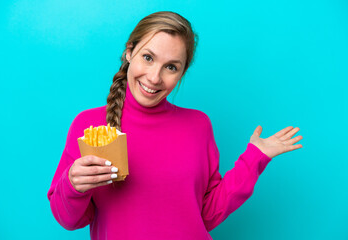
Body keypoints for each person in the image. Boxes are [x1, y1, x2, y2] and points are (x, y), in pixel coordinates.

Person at [47, 11, 303, 239]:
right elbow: (69, 219)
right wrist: (72, 184)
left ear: (182, 73)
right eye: (148, 57)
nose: (154, 77)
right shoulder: (90, 126)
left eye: (170, 67)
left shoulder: (198, 125)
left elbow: (208, 215)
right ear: (129, 52)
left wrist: (255, 159)